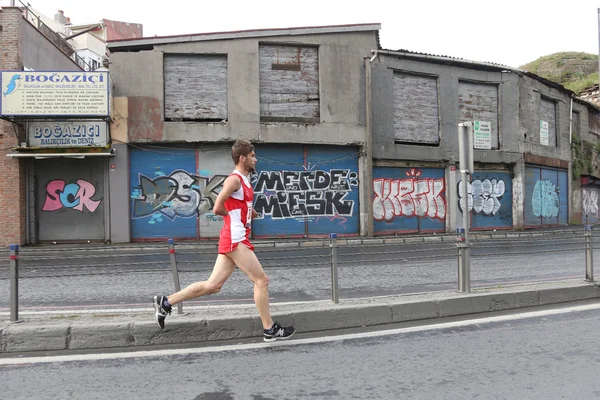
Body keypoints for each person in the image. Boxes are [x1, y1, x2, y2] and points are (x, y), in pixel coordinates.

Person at [153, 139, 296, 342]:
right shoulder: (234, 179)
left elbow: (239, 205)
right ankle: (269, 328)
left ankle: (166, 302)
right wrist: (234, 217)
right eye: (253, 156)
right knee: (261, 280)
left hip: (234, 237)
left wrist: (250, 213)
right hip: (235, 238)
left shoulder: (245, 181)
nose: (256, 159)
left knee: (213, 285)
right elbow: (218, 207)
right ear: (242, 158)